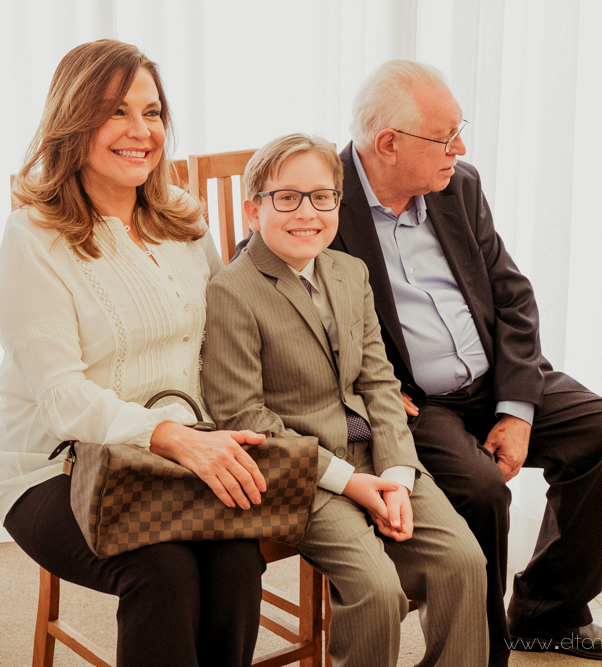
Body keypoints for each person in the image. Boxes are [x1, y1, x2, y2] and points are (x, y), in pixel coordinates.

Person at [331, 61, 602, 663]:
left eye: (459, 131)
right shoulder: (323, 195)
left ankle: (546, 614)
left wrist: (517, 407)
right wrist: (361, 389)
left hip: (494, 374)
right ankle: (484, 652)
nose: (461, 148)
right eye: (445, 136)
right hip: (416, 402)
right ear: (388, 144)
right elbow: (268, 291)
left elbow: (511, 295)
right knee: (481, 491)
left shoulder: (458, 185)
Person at [0, 39, 270, 667]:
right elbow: (63, 399)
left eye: (152, 112)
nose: (142, 131)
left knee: (236, 557)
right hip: (57, 470)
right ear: (73, 121)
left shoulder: (183, 219)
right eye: (116, 111)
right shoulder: (33, 239)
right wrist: (171, 437)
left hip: (183, 454)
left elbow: (227, 338)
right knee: (162, 569)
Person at [203, 133, 489, 667]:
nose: (306, 212)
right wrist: (350, 482)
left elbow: (380, 382)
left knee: (463, 561)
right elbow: (243, 417)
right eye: (286, 197)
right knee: (377, 591)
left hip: (376, 455)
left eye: (322, 197)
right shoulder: (231, 292)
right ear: (253, 211)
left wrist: (398, 475)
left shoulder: (350, 272)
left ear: (338, 203)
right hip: (299, 470)